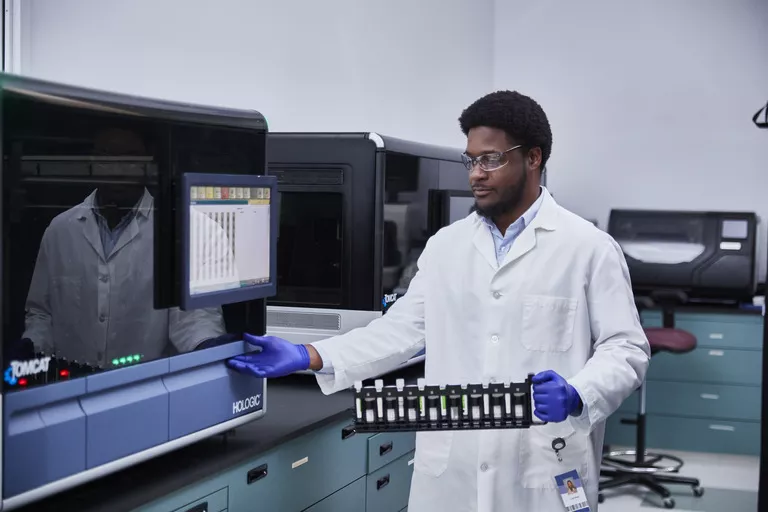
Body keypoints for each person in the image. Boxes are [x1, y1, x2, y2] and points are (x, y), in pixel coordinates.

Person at [227, 91, 650, 511]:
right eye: (471, 160)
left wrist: (579, 391)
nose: (476, 174)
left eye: (491, 159)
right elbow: (402, 331)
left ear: (533, 158)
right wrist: (307, 354)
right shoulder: (447, 246)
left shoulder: (588, 248)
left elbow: (626, 348)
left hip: (543, 465)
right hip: (454, 471)